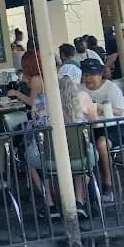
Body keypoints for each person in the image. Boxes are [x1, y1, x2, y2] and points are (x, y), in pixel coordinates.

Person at [26, 75, 99, 219]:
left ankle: (50, 203)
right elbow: (95, 123)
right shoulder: (84, 97)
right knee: (80, 155)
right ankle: (79, 201)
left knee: (30, 159)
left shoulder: (41, 101)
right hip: (80, 157)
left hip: (50, 158)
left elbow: (35, 122)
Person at [81, 58, 124, 205]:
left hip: (114, 127)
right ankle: (83, 190)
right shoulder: (80, 89)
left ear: (101, 74)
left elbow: (120, 111)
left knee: (101, 144)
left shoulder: (111, 88)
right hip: (90, 128)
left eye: (92, 74)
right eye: (86, 75)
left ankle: (107, 185)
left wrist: (100, 107)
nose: (88, 78)